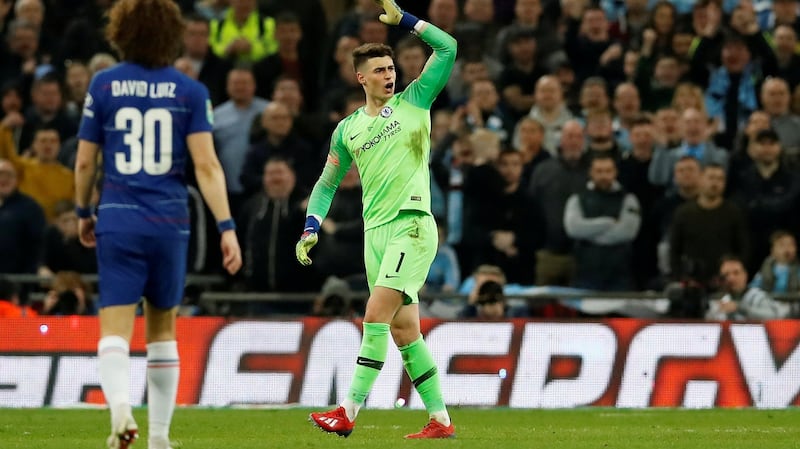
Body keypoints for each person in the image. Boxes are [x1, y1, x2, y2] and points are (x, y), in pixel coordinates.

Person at [73, 1, 243, 449]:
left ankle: (120, 412)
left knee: (114, 326)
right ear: (172, 34)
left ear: (121, 32)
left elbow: (87, 159)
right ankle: (160, 439)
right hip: (169, 221)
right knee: (163, 328)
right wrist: (226, 226)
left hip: (118, 217)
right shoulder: (189, 90)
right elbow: (206, 166)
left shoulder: (104, 83)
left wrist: (81, 212)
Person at [295, 0, 457, 439]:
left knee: (374, 317)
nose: (390, 75)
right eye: (380, 70)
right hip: (376, 235)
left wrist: (406, 21)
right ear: (360, 78)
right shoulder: (347, 130)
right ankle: (440, 420)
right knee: (405, 333)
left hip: (412, 224)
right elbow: (327, 184)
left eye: (392, 68)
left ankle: (347, 411)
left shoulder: (415, 100)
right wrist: (311, 225)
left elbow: (447, 49)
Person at [706, 256, 791, 321]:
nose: (731, 278)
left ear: (745, 275)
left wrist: (739, 308)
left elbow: (774, 316)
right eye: (726, 274)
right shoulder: (720, 301)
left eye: (736, 273)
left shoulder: (757, 296)